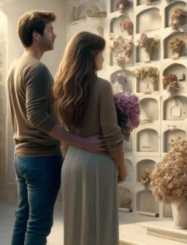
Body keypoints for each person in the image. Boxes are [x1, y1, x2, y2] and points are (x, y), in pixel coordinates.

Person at [7, 10, 106, 245]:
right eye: (49, 30)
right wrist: (80, 141)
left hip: (21, 157)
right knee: (39, 225)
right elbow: (37, 116)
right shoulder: (37, 69)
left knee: (23, 218)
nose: (55, 35)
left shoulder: (16, 65)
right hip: (41, 159)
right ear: (35, 35)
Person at [53, 31, 127, 245]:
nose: (103, 58)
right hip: (98, 163)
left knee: (76, 228)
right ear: (89, 55)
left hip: (72, 162)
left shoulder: (62, 87)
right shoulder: (101, 86)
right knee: (101, 229)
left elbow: (62, 128)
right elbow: (112, 132)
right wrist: (121, 167)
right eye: (100, 54)